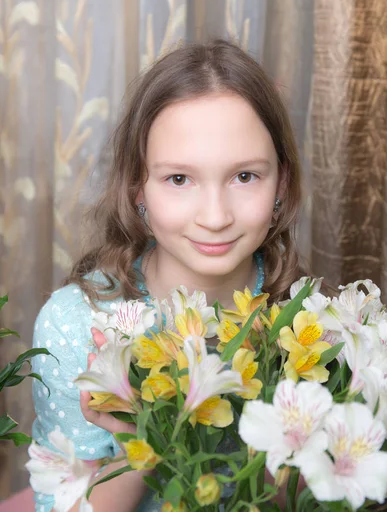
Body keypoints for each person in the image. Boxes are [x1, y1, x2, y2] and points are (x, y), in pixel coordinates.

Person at [30, 38, 302, 512]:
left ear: (282, 182)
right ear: (139, 187)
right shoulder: (75, 326)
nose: (215, 216)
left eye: (245, 177)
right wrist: (143, 442)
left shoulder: (309, 327)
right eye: (179, 179)